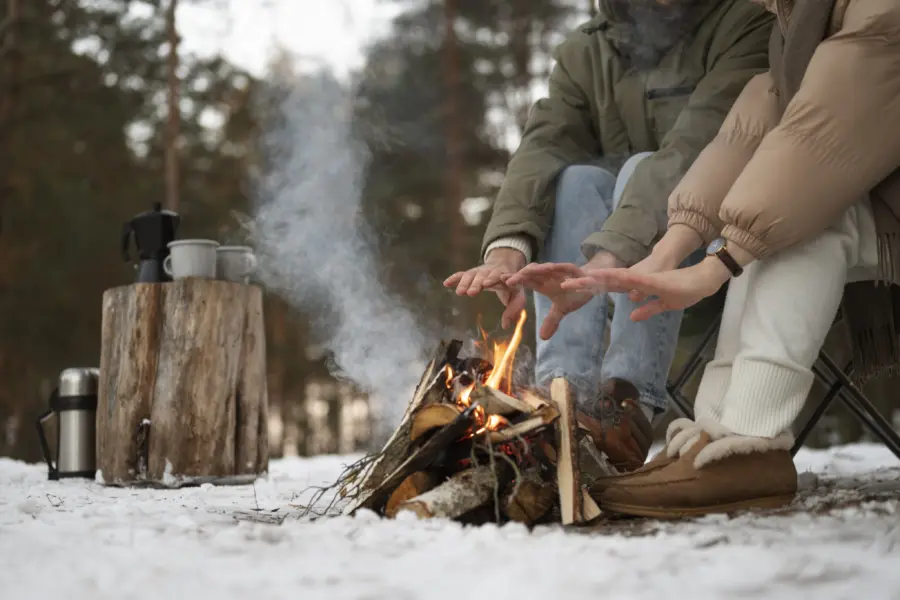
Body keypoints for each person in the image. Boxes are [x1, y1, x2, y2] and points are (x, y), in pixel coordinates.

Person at [530, 0, 900, 517]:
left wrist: (714, 264)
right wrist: (665, 252)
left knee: (805, 217)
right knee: (776, 217)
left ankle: (749, 442)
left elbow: (811, 147)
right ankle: (717, 437)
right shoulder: (796, 22)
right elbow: (746, 132)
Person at [444, 0, 773, 472]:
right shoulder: (589, 48)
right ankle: (564, 399)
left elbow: (695, 148)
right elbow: (544, 146)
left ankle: (624, 402)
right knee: (575, 180)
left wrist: (608, 259)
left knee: (640, 168)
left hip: (718, 247)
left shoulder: (745, 22)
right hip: (619, 252)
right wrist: (507, 250)